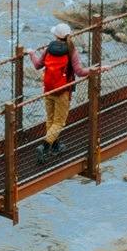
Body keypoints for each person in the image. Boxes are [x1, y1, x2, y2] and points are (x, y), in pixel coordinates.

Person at [34, 21, 85, 162]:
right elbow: (79, 72)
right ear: (69, 35)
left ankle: (55, 146)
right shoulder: (71, 50)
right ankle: (44, 147)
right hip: (62, 91)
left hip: (48, 90)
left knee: (50, 119)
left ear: (56, 35)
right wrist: (95, 70)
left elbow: (38, 65)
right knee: (59, 122)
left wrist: (32, 54)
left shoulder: (49, 48)